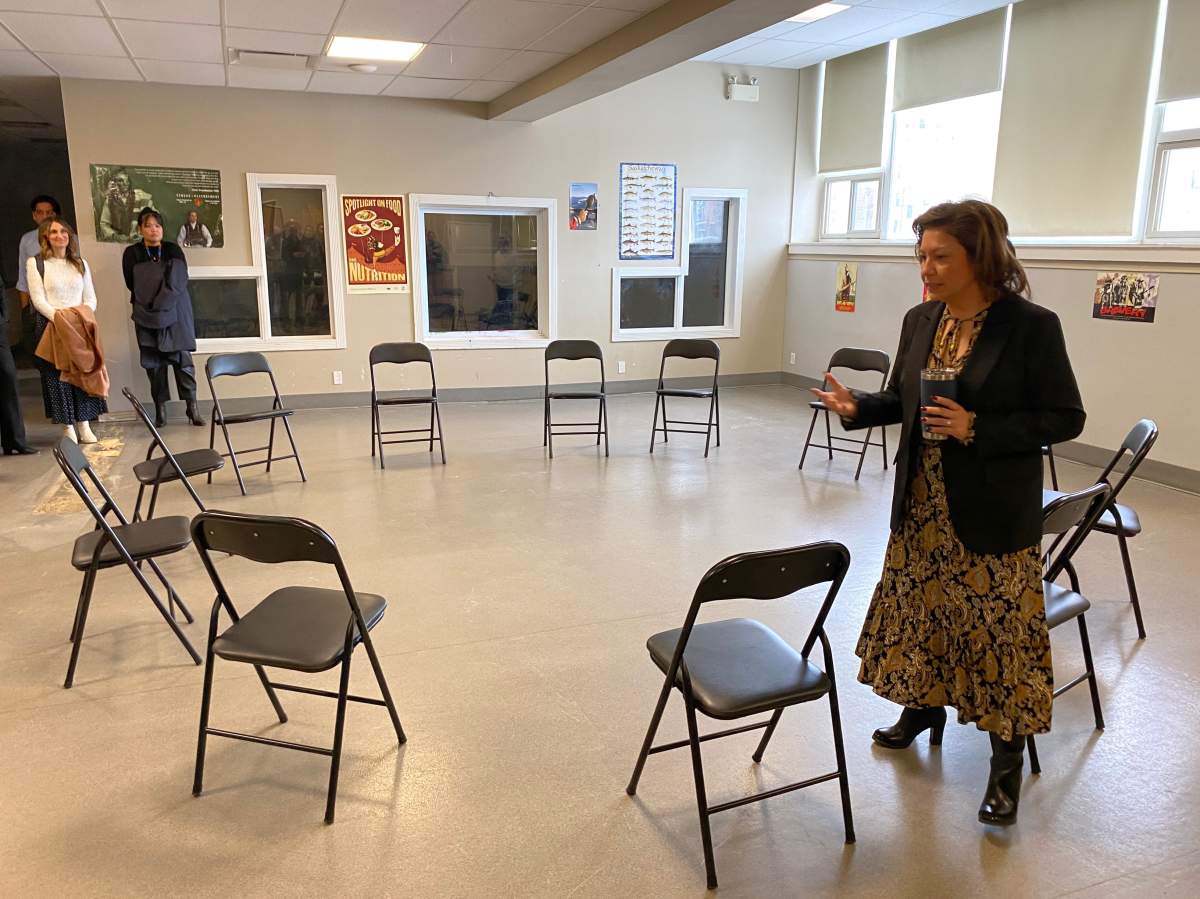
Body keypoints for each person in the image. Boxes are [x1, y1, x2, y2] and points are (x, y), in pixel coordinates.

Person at [811, 200, 1085, 827]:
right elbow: (909, 402)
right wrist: (861, 408)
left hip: (991, 511)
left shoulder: (1030, 326)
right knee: (922, 613)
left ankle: (1005, 766)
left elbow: (1067, 418)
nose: (927, 269)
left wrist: (977, 427)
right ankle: (922, 706)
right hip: (922, 506)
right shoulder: (921, 318)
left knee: (998, 637)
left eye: (941, 257)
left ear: (980, 257)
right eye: (922, 256)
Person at [25, 217, 107, 443]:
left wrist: (79, 318)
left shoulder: (80, 263)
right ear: (46, 237)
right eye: (53, 232)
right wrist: (61, 320)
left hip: (80, 324)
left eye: (63, 231)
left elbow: (90, 298)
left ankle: (84, 424)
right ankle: (67, 426)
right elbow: (38, 299)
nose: (59, 235)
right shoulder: (36, 263)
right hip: (52, 324)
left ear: (69, 235)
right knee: (58, 376)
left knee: (83, 372)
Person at [122, 208, 203, 427]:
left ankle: (192, 407)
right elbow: (133, 283)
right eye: (148, 225)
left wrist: (161, 302)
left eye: (157, 225)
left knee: (183, 362)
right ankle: (160, 411)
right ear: (140, 229)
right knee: (154, 365)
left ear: (162, 229)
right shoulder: (132, 253)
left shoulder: (173, 249)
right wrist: (152, 302)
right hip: (146, 314)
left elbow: (178, 281)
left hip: (175, 312)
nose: (153, 230)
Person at [16, 194, 61, 312]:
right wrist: (25, 312)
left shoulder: (70, 238)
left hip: (65, 304)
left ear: (55, 215)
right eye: (40, 212)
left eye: (49, 212)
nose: (45, 216)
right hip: (39, 306)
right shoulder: (27, 240)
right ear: (34, 216)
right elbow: (23, 279)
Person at [98, 169, 151, 242]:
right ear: (115, 182)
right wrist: (115, 236)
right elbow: (104, 224)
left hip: (138, 243)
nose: (125, 183)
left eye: (127, 180)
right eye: (120, 180)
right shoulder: (110, 200)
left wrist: (143, 235)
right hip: (116, 243)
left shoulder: (141, 197)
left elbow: (153, 219)